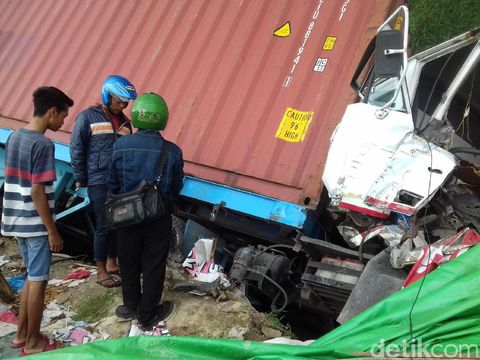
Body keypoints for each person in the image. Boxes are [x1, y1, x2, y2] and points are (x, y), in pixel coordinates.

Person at [1, 87, 73, 355]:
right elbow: (37, 191)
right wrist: (52, 230)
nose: (63, 122)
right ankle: (33, 342)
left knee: (31, 277)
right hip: (35, 223)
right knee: (39, 280)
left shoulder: (14, 136)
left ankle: (22, 335)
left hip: (15, 219)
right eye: (63, 116)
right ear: (53, 111)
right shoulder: (43, 144)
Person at [109, 93, 184, 330]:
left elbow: (112, 183)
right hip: (157, 218)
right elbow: (175, 187)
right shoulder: (171, 151)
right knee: (154, 264)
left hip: (126, 215)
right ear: (163, 118)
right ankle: (148, 314)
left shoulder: (120, 145)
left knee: (128, 261)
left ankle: (130, 306)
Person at [70, 75, 137, 288]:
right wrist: (81, 177)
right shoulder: (87, 117)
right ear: (107, 96)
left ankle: (112, 263)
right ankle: (100, 270)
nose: (123, 105)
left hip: (119, 180)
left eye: (126, 102)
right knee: (103, 225)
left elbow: (127, 152)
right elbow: (76, 148)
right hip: (98, 180)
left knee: (117, 223)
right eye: (119, 101)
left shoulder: (126, 121)